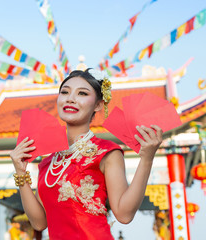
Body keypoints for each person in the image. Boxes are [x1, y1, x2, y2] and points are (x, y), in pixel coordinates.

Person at [10, 68, 163, 239]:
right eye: (65, 92)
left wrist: (147, 159)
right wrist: (21, 173)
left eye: (82, 93)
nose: (71, 98)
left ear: (98, 104)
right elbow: (39, 223)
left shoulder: (106, 152)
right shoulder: (48, 162)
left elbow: (124, 214)